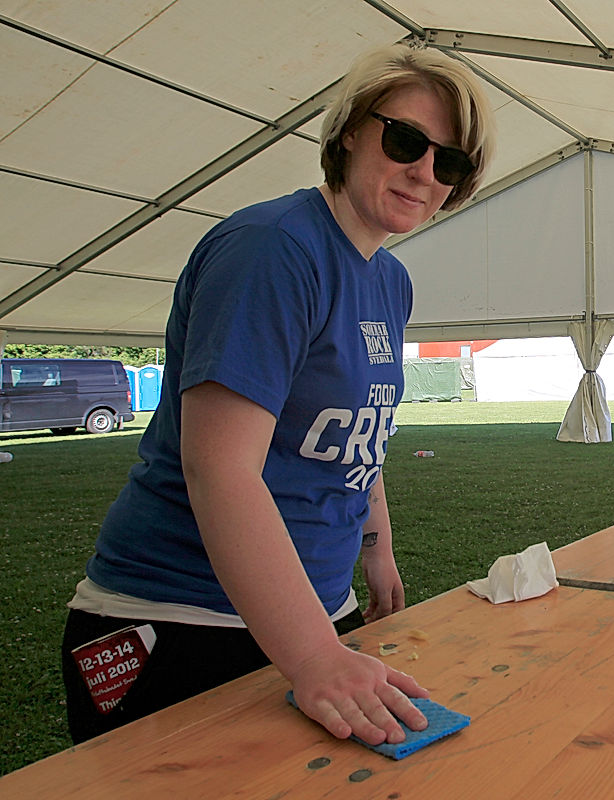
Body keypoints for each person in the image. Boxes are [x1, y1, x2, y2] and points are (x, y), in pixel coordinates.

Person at [59, 44, 495, 747]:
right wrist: (316, 657)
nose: (425, 172)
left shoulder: (389, 279)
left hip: (315, 616)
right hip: (183, 619)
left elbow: (362, 432)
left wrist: (374, 549)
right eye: (407, 141)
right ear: (351, 128)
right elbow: (220, 468)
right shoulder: (272, 249)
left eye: (450, 162)